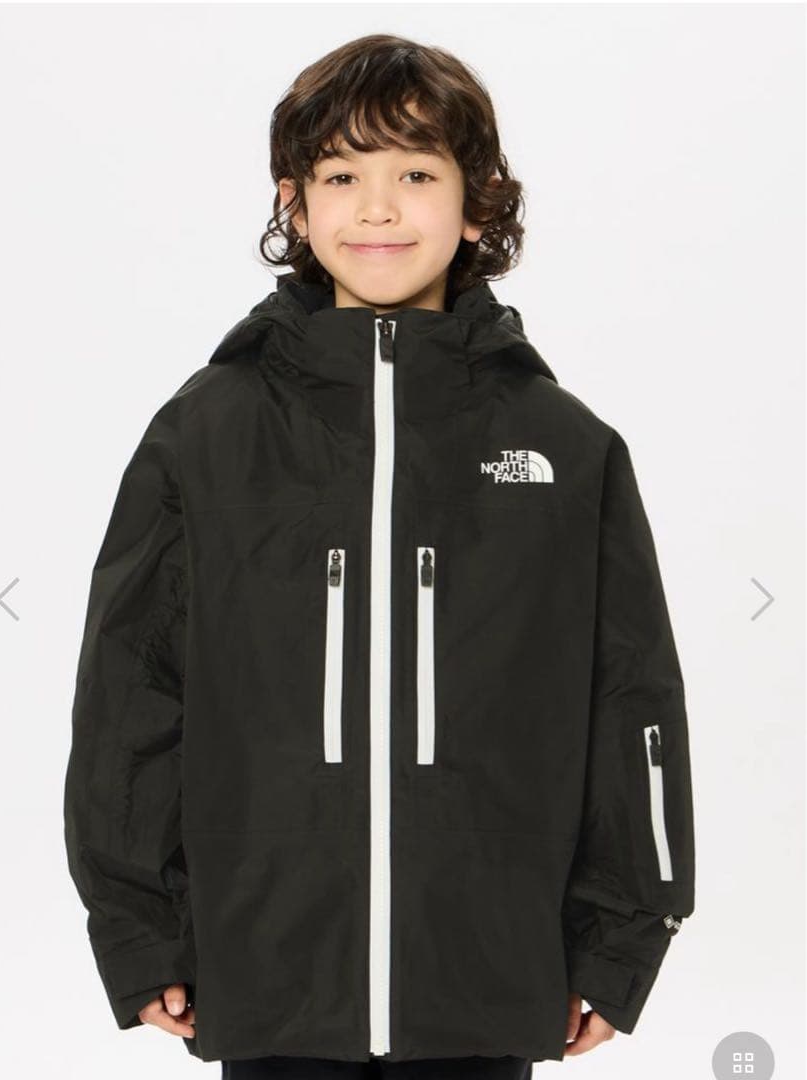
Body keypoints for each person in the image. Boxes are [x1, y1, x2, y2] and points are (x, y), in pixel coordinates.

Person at [63, 32, 695, 1080]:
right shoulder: (206, 433)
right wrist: (138, 928)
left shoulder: (563, 445)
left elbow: (631, 701)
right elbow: (130, 693)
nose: (378, 209)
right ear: (295, 204)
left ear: (477, 202)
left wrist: (623, 937)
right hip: (266, 972)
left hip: (487, 973)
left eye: (415, 174)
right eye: (341, 176)